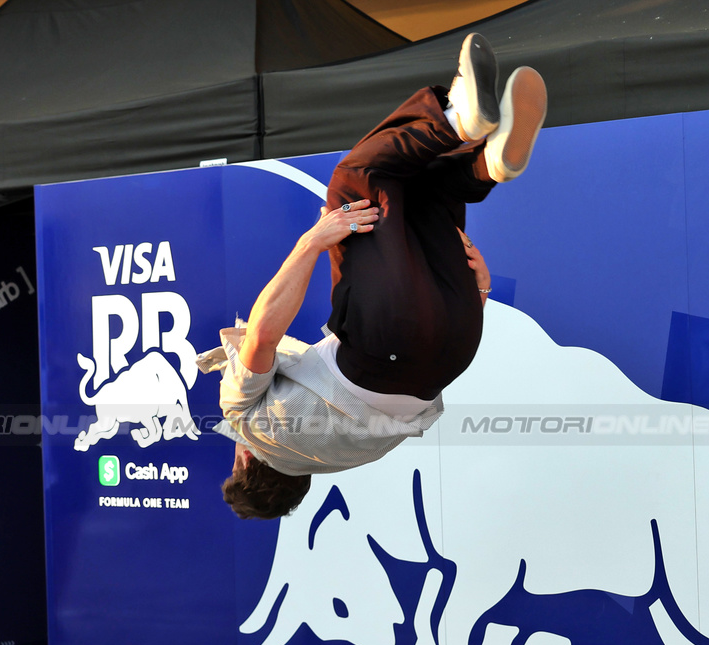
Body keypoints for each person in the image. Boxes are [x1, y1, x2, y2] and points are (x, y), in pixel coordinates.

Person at [204, 33, 547, 520]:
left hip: (455, 345)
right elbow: (261, 335)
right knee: (355, 184)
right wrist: (312, 242)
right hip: (382, 343)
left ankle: (487, 165)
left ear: (299, 482)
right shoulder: (247, 425)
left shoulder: (346, 458)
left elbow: (418, 363)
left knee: (421, 193)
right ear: (243, 460)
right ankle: (457, 118)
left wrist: (477, 293)